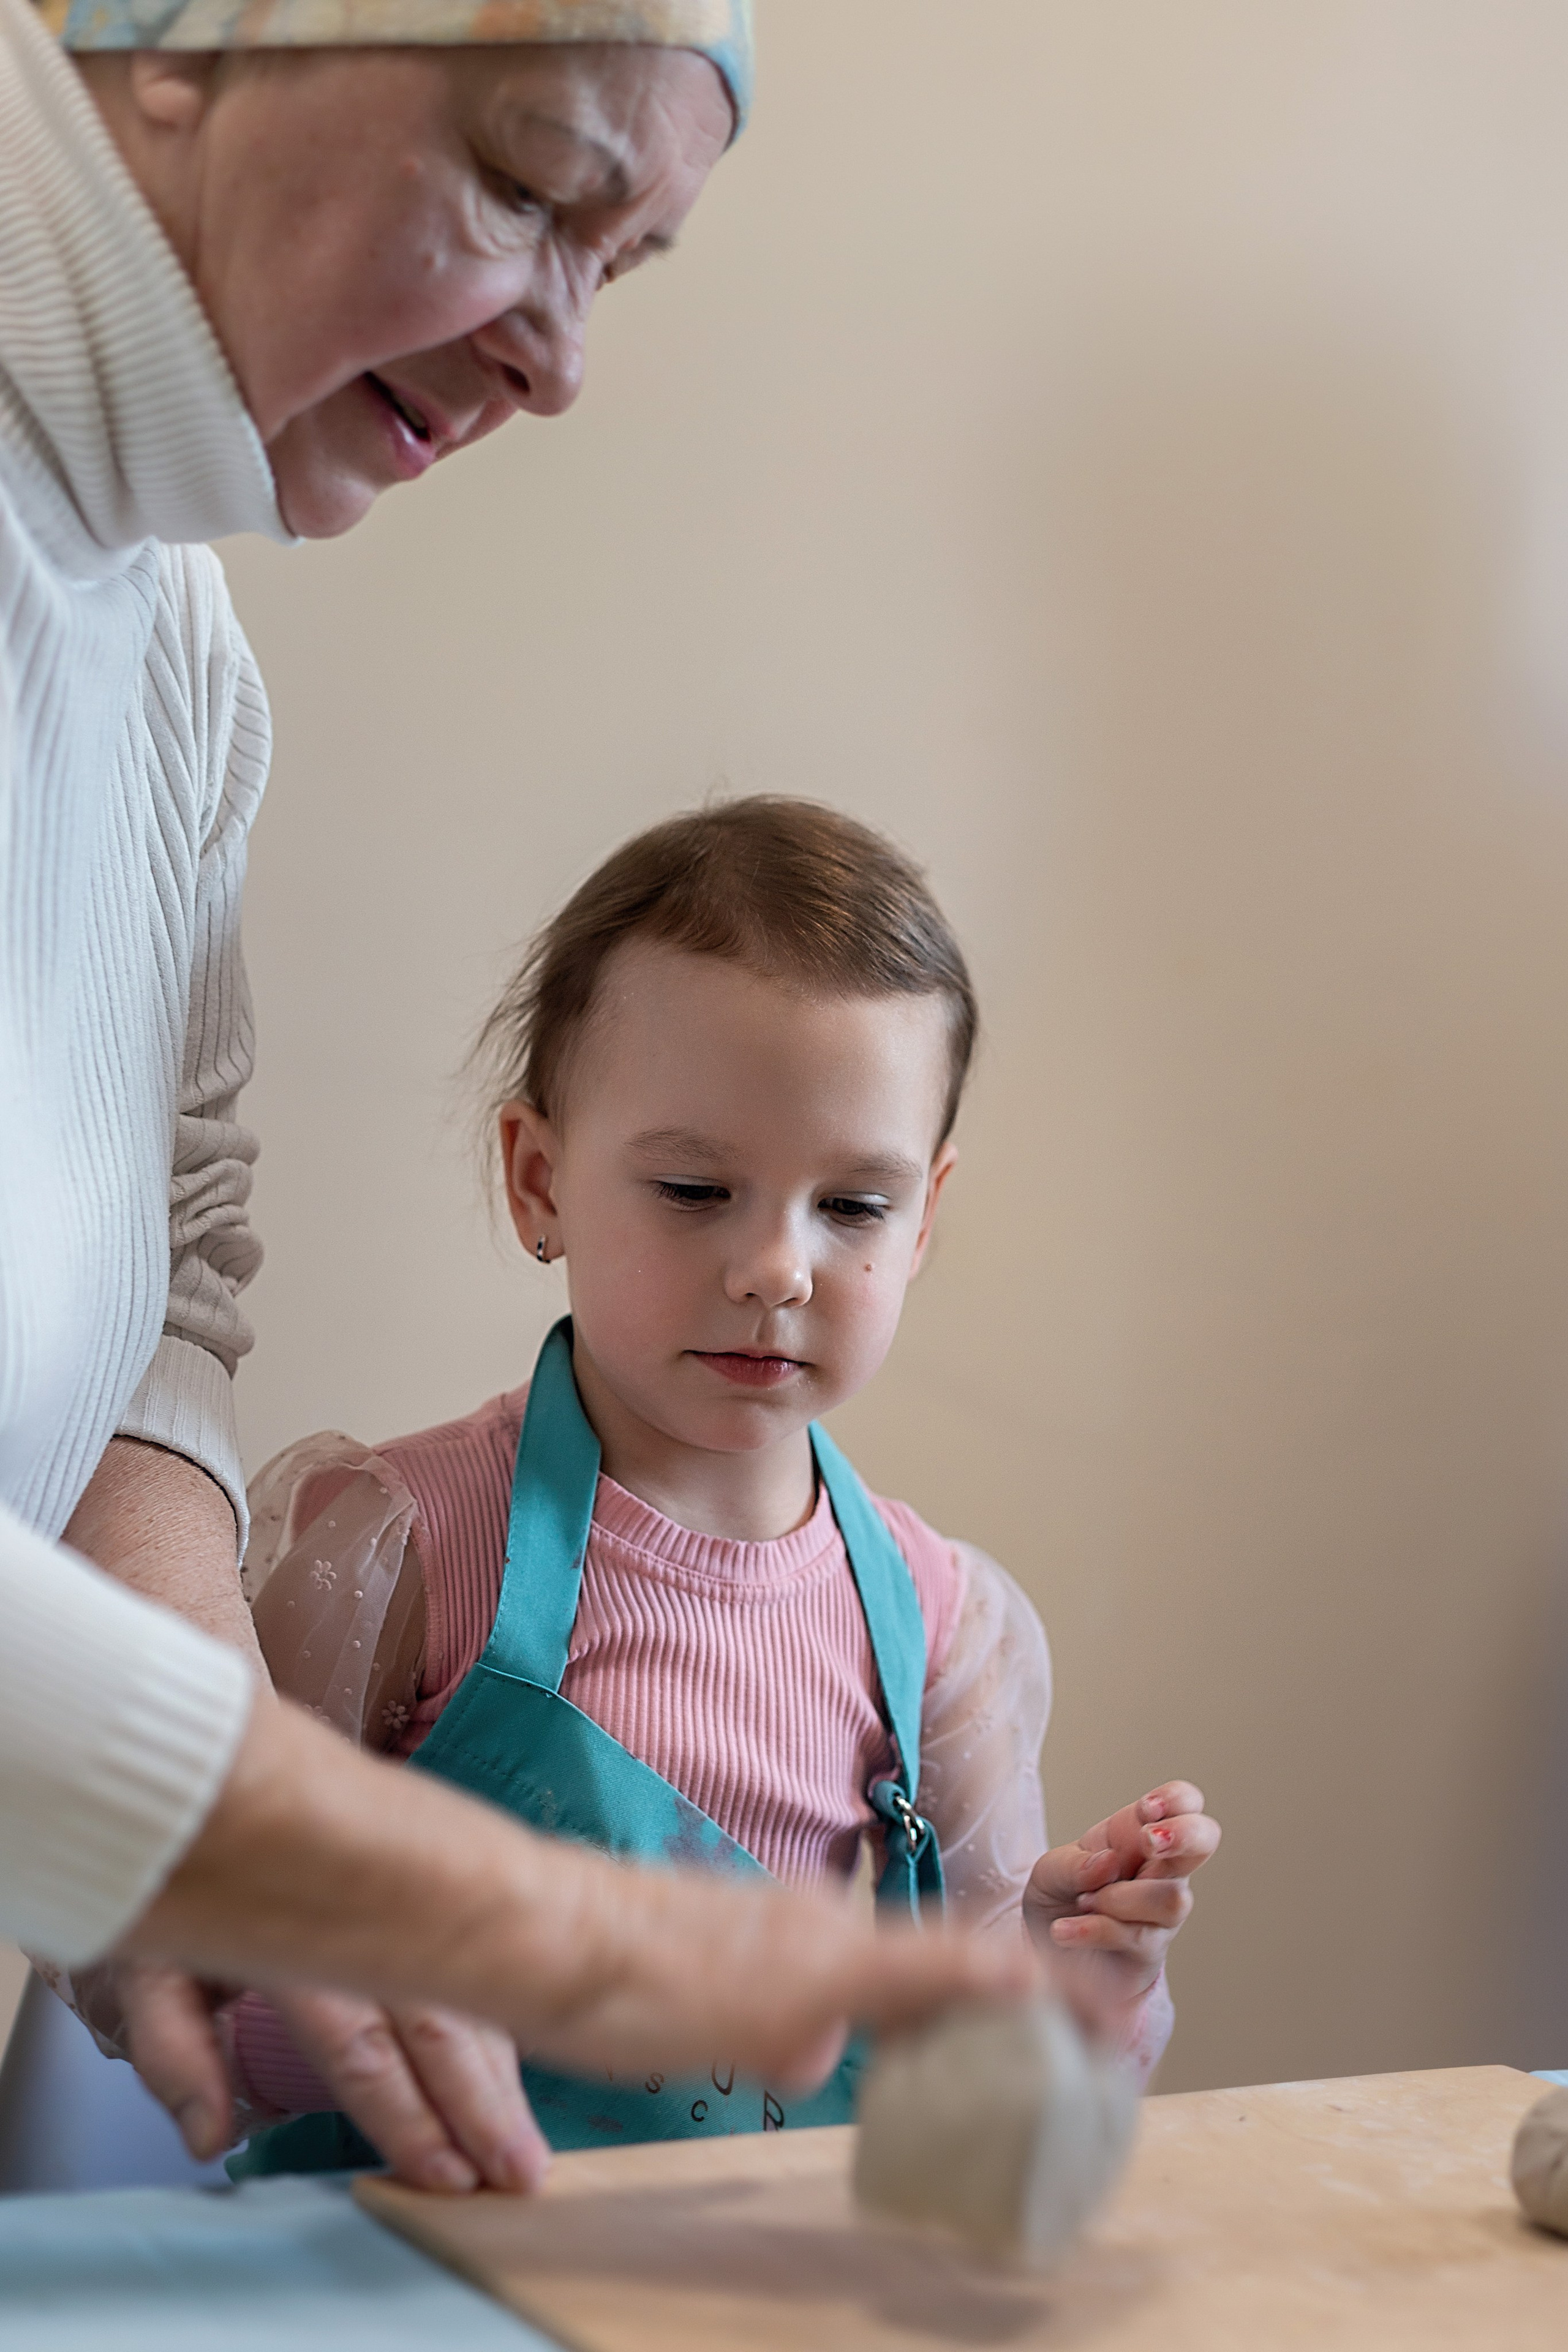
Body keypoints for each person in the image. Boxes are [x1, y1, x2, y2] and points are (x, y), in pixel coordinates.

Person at [0, 0, 1030, 2197]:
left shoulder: (174, 654)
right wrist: (474, 1899)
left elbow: (152, 1318)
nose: (563, 362)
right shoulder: (416, 1539)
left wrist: (237, 1839)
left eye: (622, 264)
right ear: (186, 37)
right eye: (529, 183)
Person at [185, 797, 1221, 2171]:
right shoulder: (397, 1548)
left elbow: (982, 2102)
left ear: (923, 1223)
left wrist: (1075, 1960)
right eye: (692, 1189)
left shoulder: (939, 1624)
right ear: (538, 1179)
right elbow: (194, 1993)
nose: (775, 1269)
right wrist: (496, 1974)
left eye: (852, 1206)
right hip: (400, 2267)